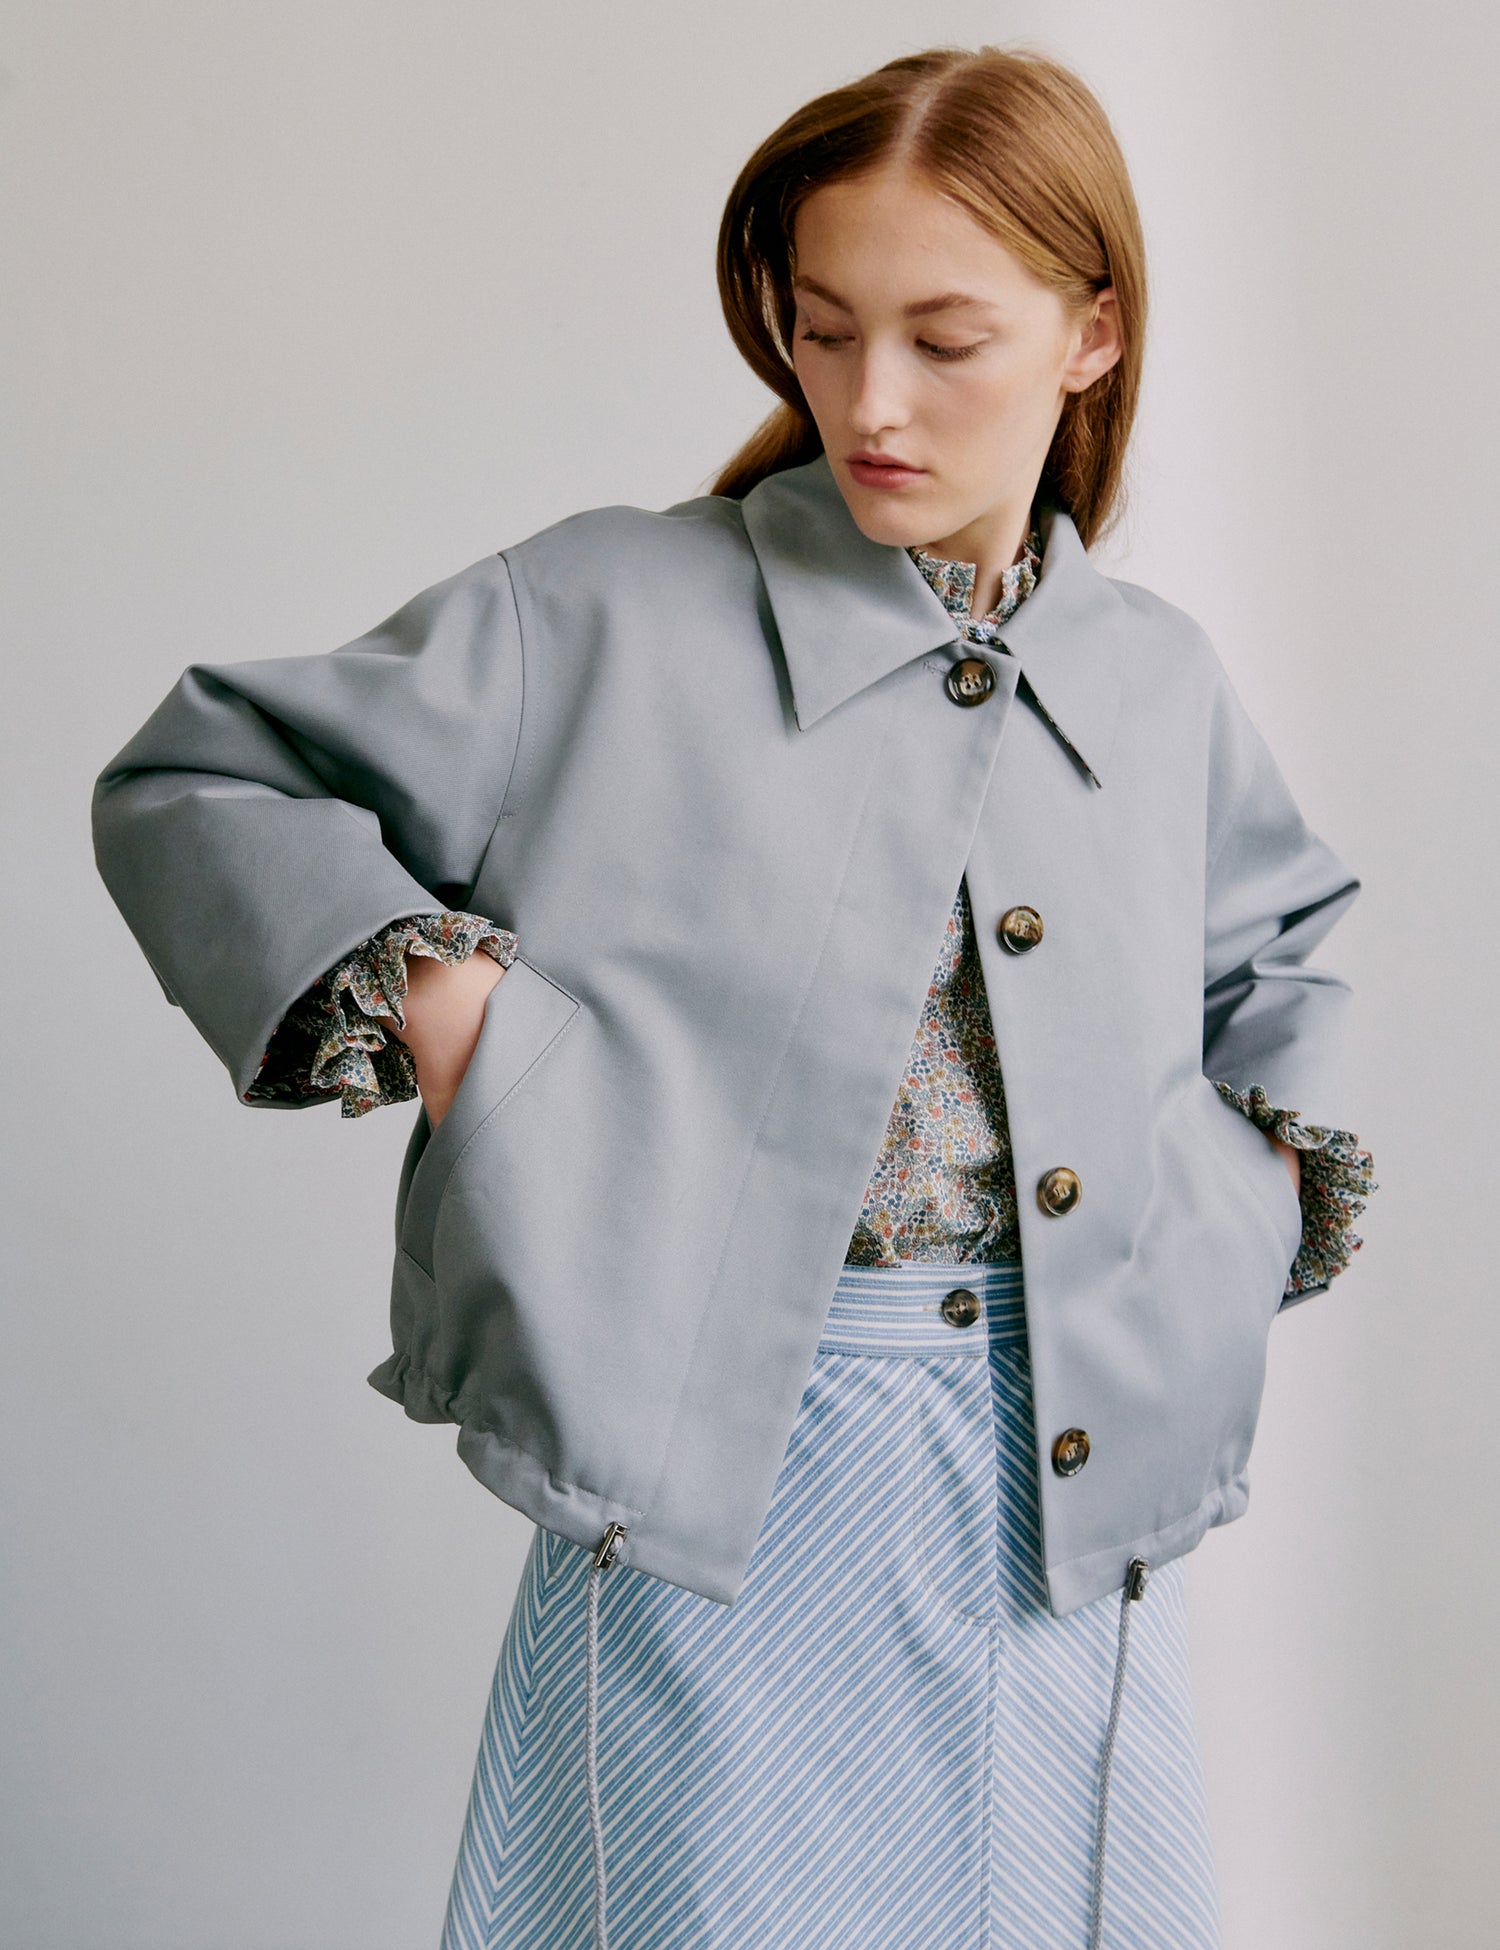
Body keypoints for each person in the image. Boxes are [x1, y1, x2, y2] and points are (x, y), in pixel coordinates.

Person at [91, 41, 1376, 1950]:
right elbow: (200, 779)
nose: (870, 401)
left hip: (1067, 1497)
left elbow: (1287, 958)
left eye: (946, 339)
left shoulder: (1155, 674)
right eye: (824, 329)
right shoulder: (600, 608)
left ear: (1092, 335)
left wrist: (1241, 1202)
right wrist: (446, 1006)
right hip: (714, 1492)